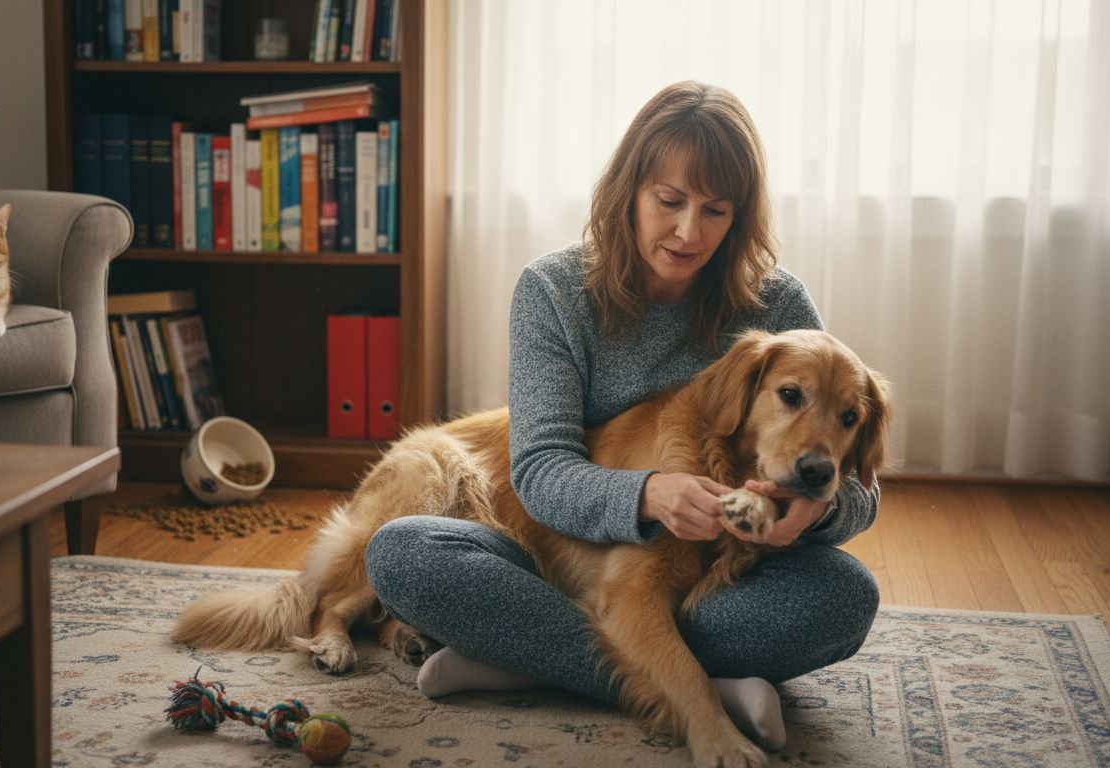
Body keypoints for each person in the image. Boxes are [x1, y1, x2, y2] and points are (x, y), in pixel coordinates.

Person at [364, 80, 880, 751]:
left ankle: (518, 654)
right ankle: (707, 687)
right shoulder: (551, 291)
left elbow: (861, 487)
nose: (689, 230)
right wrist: (649, 493)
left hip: (702, 577)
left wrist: (822, 511)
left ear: (740, 216)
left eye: (716, 210)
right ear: (628, 189)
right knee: (402, 553)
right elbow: (541, 471)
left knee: (845, 596)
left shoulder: (777, 307)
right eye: (669, 201)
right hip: (539, 555)